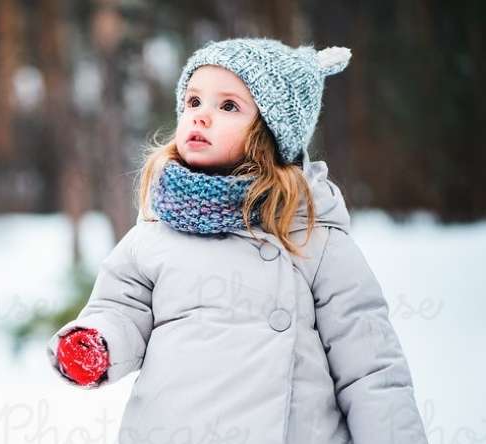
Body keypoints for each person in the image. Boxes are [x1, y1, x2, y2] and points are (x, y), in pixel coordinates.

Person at [46, 37, 429, 444]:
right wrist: (97, 341)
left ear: (270, 132)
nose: (201, 117)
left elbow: (371, 369)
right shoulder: (157, 231)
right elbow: (121, 308)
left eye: (228, 106)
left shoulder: (312, 238)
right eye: (193, 102)